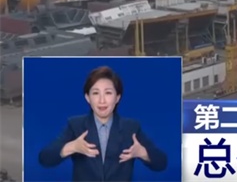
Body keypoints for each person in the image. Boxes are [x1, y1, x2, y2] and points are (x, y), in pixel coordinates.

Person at [38, 66, 167, 181]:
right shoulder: (75, 125)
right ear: (87, 97)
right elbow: (45, 158)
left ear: (117, 97)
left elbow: (162, 163)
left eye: (108, 93)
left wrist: (142, 152)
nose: (102, 100)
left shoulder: (131, 128)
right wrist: (72, 147)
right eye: (95, 93)